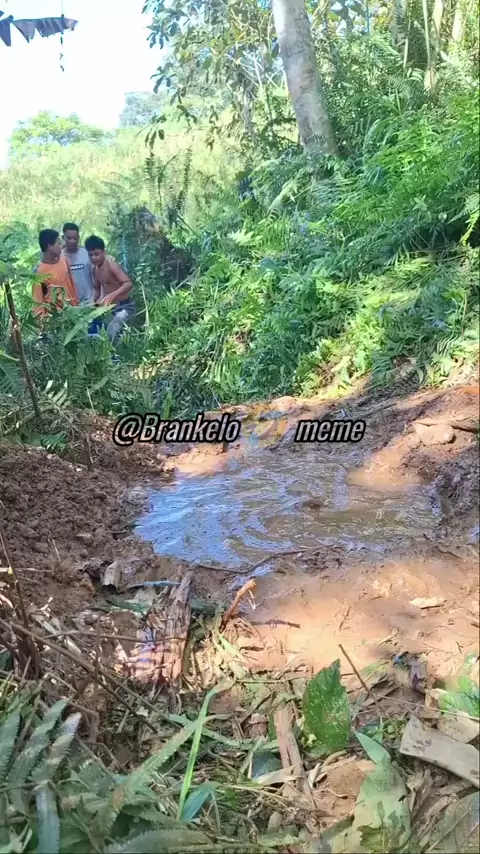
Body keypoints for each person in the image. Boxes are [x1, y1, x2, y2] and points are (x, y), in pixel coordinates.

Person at [84, 235, 135, 343]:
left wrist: (113, 294)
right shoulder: (95, 270)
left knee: (111, 333)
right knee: (99, 330)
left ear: (104, 252)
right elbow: (97, 290)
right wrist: (93, 303)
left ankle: (121, 351)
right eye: (90, 255)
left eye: (96, 254)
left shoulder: (111, 265)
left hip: (125, 306)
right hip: (111, 308)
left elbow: (128, 283)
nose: (93, 258)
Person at [33, 229, 79, 318]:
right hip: (56, 318)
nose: (62, 245)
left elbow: (71, 283)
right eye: (58, 243)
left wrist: (76, 304)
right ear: (50, 246)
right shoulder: (40, 273)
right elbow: (37, 303)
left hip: (73, 312)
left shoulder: (63, 259)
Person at [62, 222, 95, 305]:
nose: (72, 241)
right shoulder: (58, 257)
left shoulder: (87, 254)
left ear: (79, 238)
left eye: (75, 238)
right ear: (63, 237)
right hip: (69, 304)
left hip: (89, 301)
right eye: (69, 238)